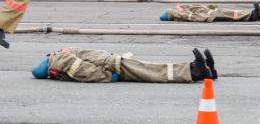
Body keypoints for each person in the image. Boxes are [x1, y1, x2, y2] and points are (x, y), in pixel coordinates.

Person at [32, 47, 217, 83]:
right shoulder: (60, 61)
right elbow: (85, 72)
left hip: (112, 62)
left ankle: (202, 71)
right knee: (152, 71)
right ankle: (195, 71)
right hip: (112, 65)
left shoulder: (62, 59)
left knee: (151, 69)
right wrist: (108, 76)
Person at [160, 3, 260, 22]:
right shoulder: (181, 14)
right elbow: (194, 17)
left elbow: (195, 8)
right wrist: (208, 16)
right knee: (229, 15)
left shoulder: (181, 12)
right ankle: (252, 15)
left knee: (230, 13)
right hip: (209, 15)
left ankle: (252, 13)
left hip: (209, 12)